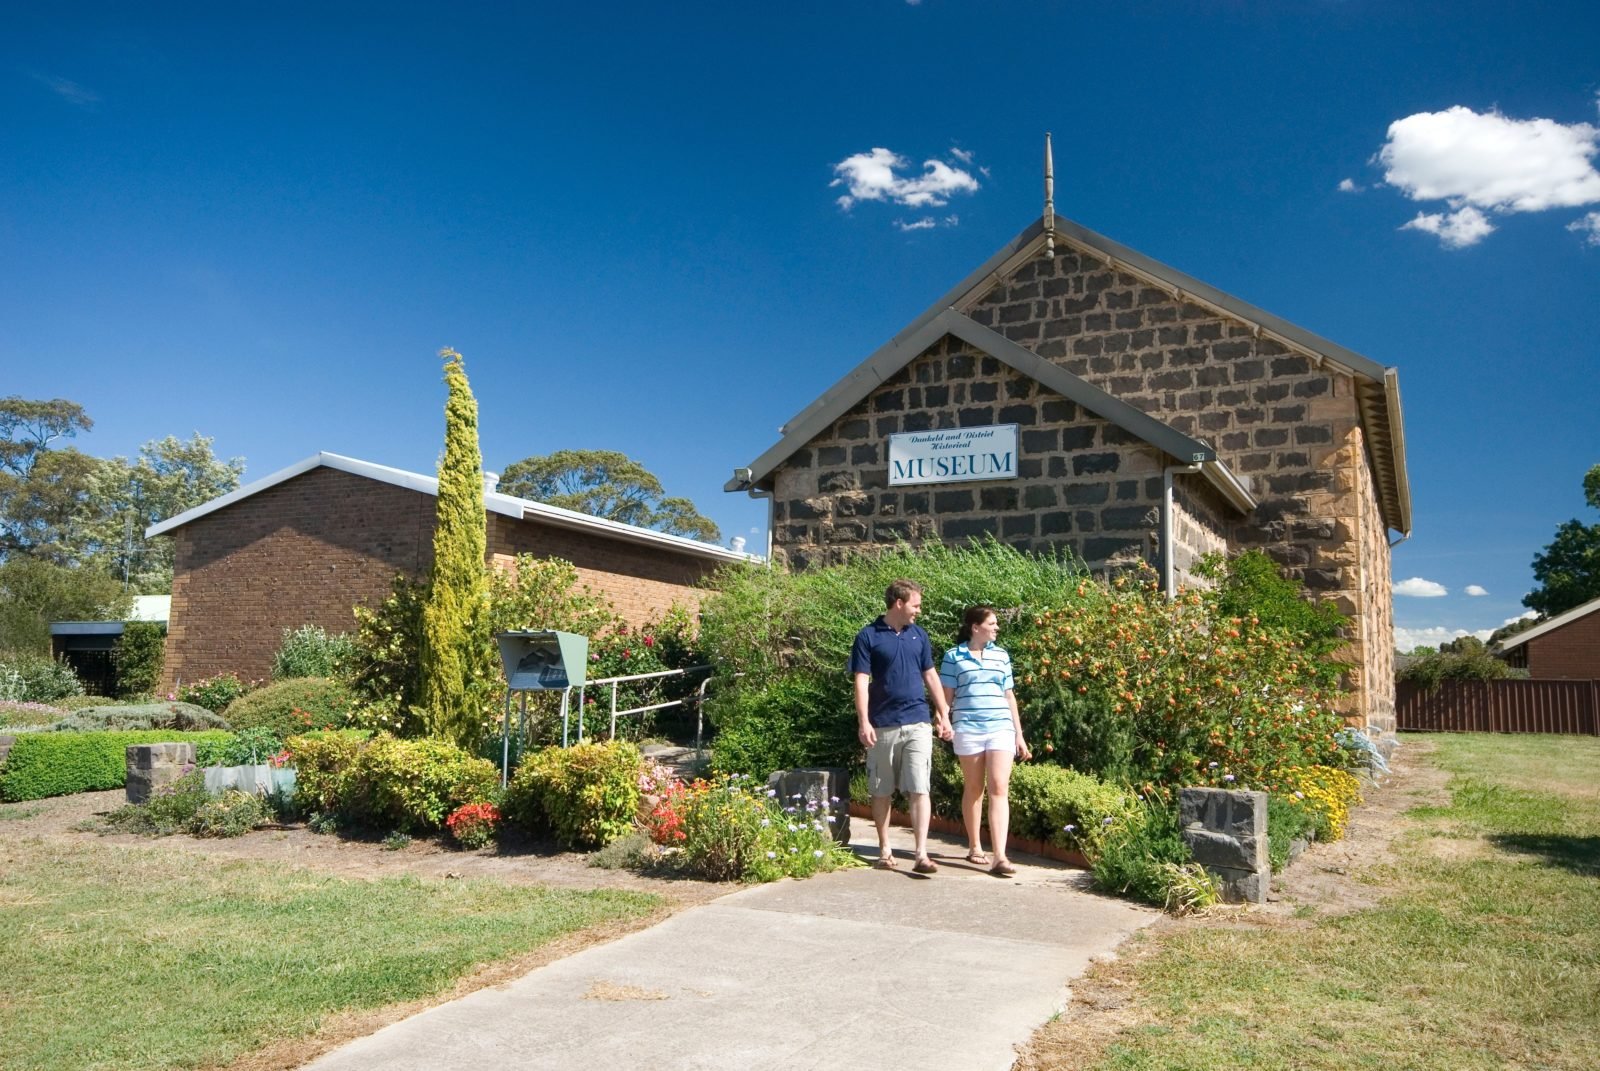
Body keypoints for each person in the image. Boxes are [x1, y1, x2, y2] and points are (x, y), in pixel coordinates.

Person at [850, 578, 953, 874]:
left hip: (918, 721)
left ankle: (921, 854)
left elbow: (931, 676)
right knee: (881, 790)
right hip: (882, 725)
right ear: (899, 603)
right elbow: (861, 681)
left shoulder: (918, 635)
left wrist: (943, 713)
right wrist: (864, 721)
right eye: (916, 605)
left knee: (920, 787)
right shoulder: (868, 636)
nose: (919, 611)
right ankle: (884, 849)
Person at [939, 605, 1031, 877]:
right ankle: (975, 845)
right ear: (975, 627)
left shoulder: (1001, 655)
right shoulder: (953, 657)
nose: (996, 628)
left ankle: (1000, 856)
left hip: (1000, 728)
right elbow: (947, 697)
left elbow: (1009, 695)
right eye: (992, 623)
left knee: (999, 787)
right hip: (968, 728)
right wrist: (943, 720)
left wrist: (1019, 734)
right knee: (975, 787)